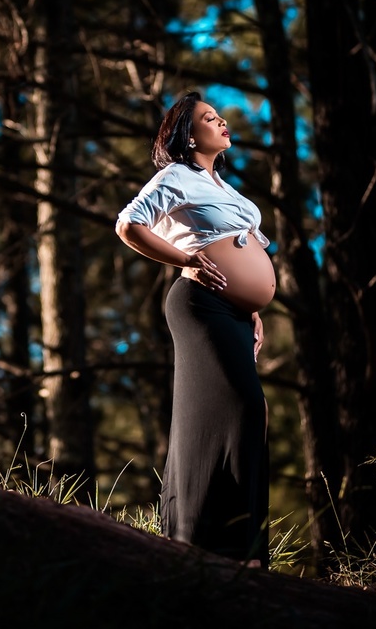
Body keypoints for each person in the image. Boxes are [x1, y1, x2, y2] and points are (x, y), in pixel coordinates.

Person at [115, 91, 276, 567]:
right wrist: (188, 259)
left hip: (233, 313)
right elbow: (129, 224)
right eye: (210, 118)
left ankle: (224, 546)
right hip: (199, 304)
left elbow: (246, 256)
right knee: (243, 407)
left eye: (221, 115)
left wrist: (253, 308)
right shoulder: (176, 176)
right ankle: (223, 546)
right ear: (188, 134)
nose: (222, 121)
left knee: (230, 414)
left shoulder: (228, 190)